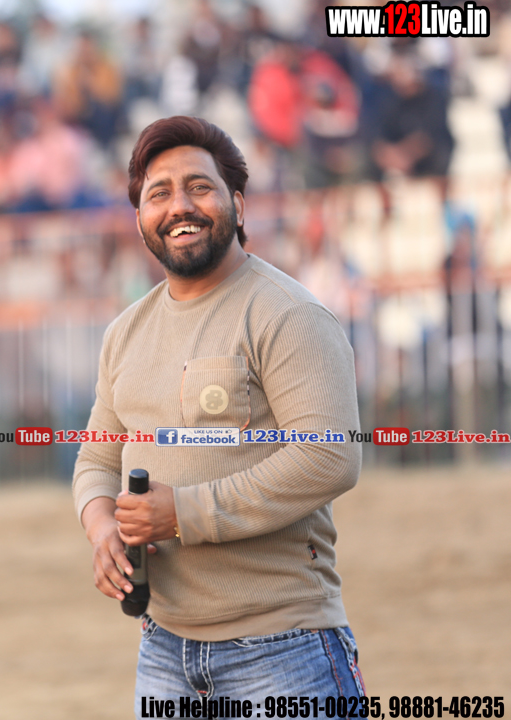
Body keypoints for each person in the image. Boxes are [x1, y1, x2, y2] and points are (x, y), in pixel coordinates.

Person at [73, 116, 365, 709]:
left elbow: (329, 456)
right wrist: (103, 529)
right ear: (140, 219)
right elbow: (98, 459)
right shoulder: (125, 333)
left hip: (282, 648)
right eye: (159, 193)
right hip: (163, 649)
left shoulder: (286, 314)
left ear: (237, 203)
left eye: (199, 187)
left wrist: (182, 512)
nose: (179, 206)